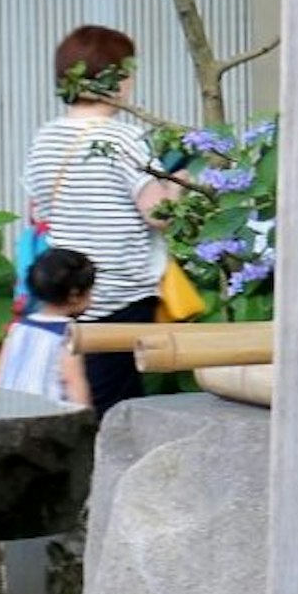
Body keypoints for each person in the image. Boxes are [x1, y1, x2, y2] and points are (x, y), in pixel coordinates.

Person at [19, 25, 184, 416]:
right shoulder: (124, 140)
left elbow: (36, 211)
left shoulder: (44, 138)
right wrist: (181, 184)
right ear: (117, 79)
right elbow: (159, 216)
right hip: (118, 295)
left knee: (76, 399)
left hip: (67, 294)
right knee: (116, 411)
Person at [0, 245, 98, 409]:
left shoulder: (19, 327)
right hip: (48, 416)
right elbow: (73, 382)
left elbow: (0, 373)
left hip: (8, 410)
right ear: (74, 295)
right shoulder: (68, 334)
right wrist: (86, 421)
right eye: (91, 291)